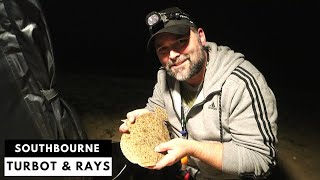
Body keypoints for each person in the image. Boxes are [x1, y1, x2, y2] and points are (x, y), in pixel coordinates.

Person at [119, 6, 278, 179]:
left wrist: (192, 148)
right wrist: (144, 118)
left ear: (201, 37)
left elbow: (262, 161)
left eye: (181, 42)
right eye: (162, 49)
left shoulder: (241, 84)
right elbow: (159, 111)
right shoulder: (165, 76)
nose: (172, 55)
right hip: (183, 171)